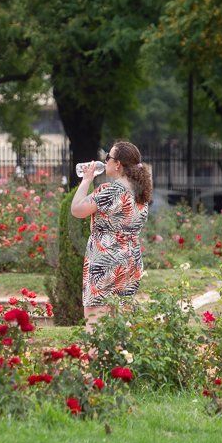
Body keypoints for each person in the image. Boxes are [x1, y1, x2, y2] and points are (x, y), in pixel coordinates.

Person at [70, 141, 151, 329]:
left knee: (95, 319)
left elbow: (76, 209)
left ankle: (97, 358)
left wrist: (86, 180)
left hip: (106, 257)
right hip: (130, 259)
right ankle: (119, 357)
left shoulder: (111, 190)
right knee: (120, 321)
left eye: (108, 158)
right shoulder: (141, 191)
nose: (104, 161)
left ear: (118, 164)